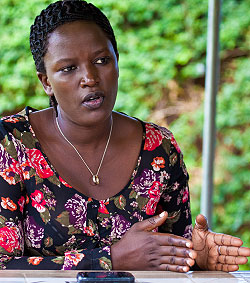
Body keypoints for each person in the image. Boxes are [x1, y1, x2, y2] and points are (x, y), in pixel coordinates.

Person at [0, 0, 249, 271]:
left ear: (117, 62)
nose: (90, 77)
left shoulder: (159, 148)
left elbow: (175, 255)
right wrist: (111, 259)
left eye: (101, 60)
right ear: (46, 81)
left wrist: (197, 256)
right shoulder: (11, 144)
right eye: (68, 68)